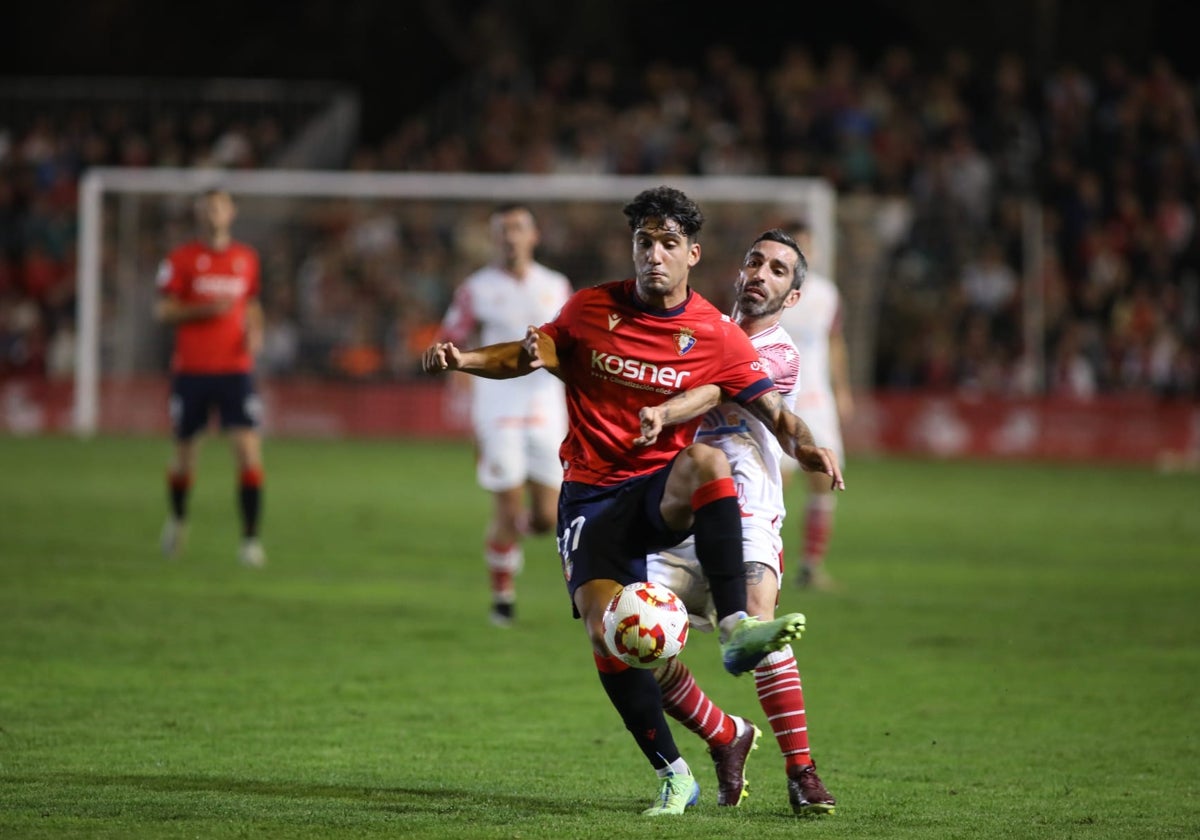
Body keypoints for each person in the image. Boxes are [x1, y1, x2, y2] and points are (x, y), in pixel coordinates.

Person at [422, 186, 844, 816]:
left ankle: (736, 631)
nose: (654, 255)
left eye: (668, 243)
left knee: (704, 462)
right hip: (593, 495)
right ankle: (687, 764)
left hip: (660, 489)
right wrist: (465, 359)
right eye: (644, 242)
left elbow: (777, 412)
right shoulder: (591, 309)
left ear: (692, 253)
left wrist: (809, 450)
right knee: (616, 634)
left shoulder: (715, 335)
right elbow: (527, 354)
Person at [637, 229, 836, 815]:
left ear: (791, 297)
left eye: (778, 270)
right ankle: (725, 734)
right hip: (677, 501)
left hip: (745, 502)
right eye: (755, 261)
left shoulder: (777, 352)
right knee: (629, 635)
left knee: (758, 620)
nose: (761, 274)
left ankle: (801, 773)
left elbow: (719, 387)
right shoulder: (694, 327)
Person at [436, 203, 573, 627]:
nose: (511, 236)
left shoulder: (556, 285)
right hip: (496, 405)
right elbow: (451, 337)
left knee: (548, 515)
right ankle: (503, 598)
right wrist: (455, 371)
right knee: (507, 501)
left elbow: (571, 343)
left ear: (533, 236)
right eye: (503, 230)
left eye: (518, 228)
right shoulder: (476, 288)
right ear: (494, 238)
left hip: (544, 403)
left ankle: (510, 540)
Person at [155, 188, 266, 568]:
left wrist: (257, 331)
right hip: (192, 372)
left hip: (236, 371)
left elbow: (251, 305)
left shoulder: (246, 258)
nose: (213, 213)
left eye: (219, 206)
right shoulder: (181, 259)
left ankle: (250, 541)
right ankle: (178, 519)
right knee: (185, 457)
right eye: (206, 208)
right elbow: (164, 311)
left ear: (231, 212)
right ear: (199, 214)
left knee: (248, 452)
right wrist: (205, 309)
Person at [777, 219, 854, 589]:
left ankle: (811, 565)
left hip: (816, 398)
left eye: (808, 244)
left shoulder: (826, 293)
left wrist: (842, 390)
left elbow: (835, 340)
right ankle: (762, 564)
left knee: (823, 478)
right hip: (774, 397)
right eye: (796, 245)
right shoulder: (767, 286)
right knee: (775, 483)